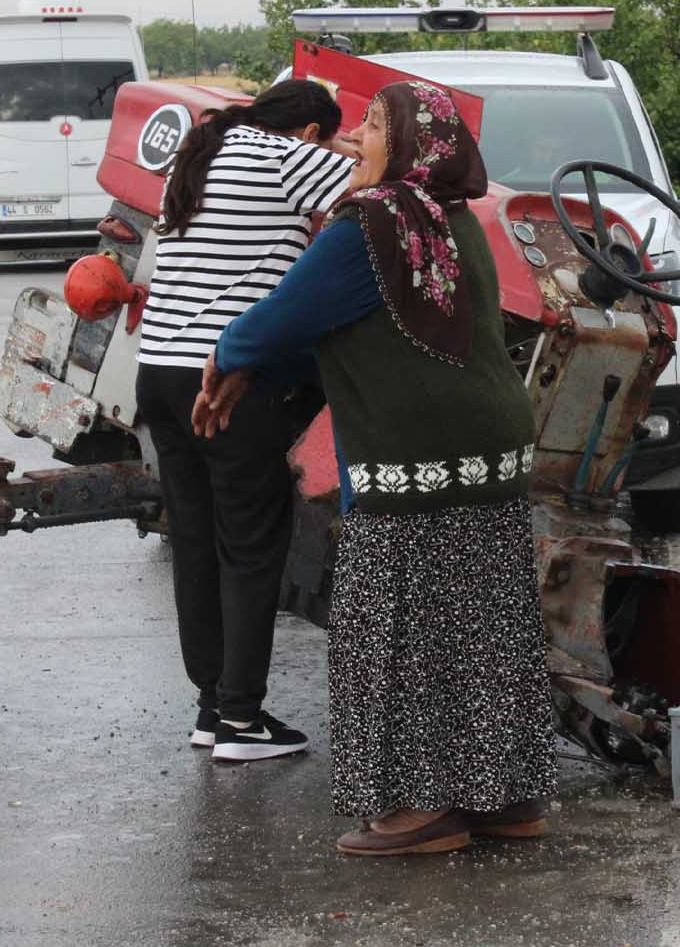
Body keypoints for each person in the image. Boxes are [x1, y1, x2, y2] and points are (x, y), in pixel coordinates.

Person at [196, 80, 558, 856]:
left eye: (368, 124)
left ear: (410, 144)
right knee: (483, 628)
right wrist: (256, 362)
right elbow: (344, 323)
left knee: (387, 629)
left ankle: (418, 809)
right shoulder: (452, 220)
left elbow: (283, 315)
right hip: (491, 449)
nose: (352, 137)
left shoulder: (366, 226)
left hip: (416, 458)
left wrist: (227, 356)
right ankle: (504, 799)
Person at [133, 79, 356, 763]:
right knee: (252, 544)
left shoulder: (200, 153)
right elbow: (377, 188)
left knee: (197, 542)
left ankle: (212, 708)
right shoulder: (285, 157)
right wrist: (353, 146)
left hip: (159, 373)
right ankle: (240, 717)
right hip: (222, 380)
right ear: (312, 132)